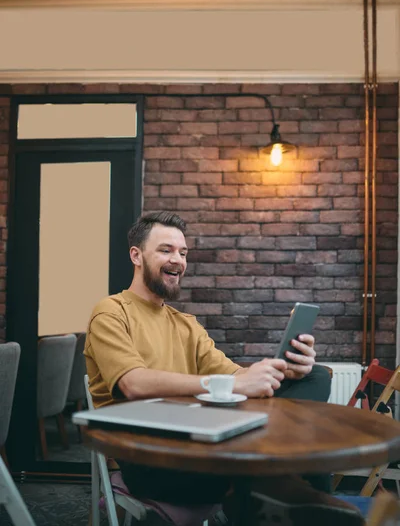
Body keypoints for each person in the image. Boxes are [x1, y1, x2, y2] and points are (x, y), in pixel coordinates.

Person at [84, 211, 364, 526]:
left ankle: (280, 486)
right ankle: (291, 491)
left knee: (313, 375)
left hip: (204, 445)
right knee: (274, 473)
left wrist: (283, 370)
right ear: (136, 255)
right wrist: (232, 385)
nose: (178, 260)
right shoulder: (110, 312)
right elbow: (132, 383)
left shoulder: (185, 324)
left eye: (183, 252)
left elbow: (235, 377)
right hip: (151, 459)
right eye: (166, 250)